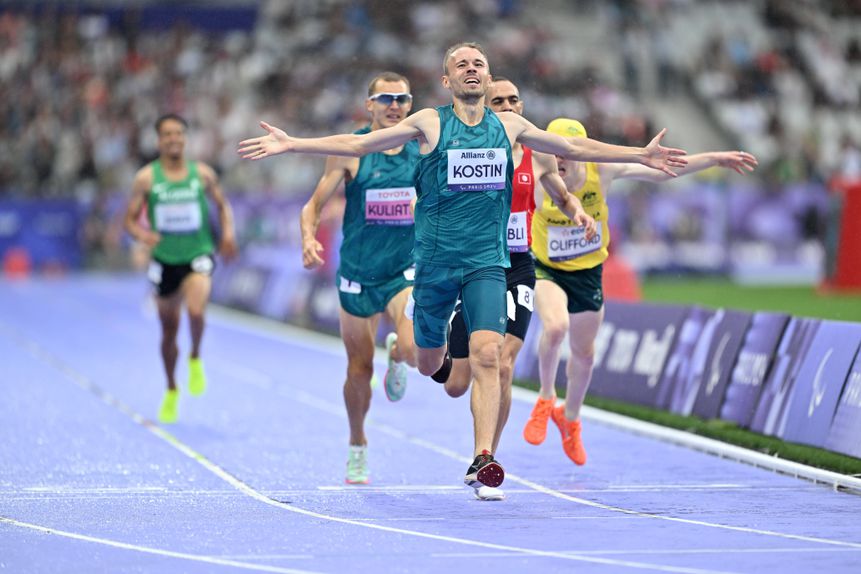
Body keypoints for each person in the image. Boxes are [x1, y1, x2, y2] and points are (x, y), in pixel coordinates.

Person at [238, 42, 687, 497]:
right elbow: (360, 142)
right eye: (462, 65)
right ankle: (407, 348)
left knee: (489, 355)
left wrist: (638, 155)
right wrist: (292, 143)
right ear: (446, 80)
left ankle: (484, 459)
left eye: (479, 65)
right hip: (433, 267)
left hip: (486, 265)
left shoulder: (510, 126)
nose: (472, 70)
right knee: (429, 361)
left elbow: (571, 145)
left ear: (488, 80)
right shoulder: (430, 123)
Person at [523, 118, 758, 466]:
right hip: (546, 268)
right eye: (553, 150)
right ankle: (545, 398)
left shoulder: (600, 170)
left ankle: (569, 418)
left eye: (567, 152)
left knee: (584, 354)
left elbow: (663, 171)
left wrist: (714, 158)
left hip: (587, 272)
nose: (560, 159)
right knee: (555, 327)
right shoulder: (536, 176)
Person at [441, 77, 563, 498]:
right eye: (499, 101)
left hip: (516, 266)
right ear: (487, 109)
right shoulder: (469, 149)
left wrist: (575, 211)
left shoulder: (539, 154)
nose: (509, 105)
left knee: (502, 362)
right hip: (472, 264)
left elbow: (561, 192)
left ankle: (486, 458)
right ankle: (436, 354)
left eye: (514, 98)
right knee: (456, 383)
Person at [299, 72, 419, 485]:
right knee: (358, 369)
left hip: (405, 271)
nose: (394, 106)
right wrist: (308, 239)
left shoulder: (423, 148)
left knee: (415, 347)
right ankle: (357, 443)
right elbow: (312, 206)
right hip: (357, 274)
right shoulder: (351, 151)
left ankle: (400, 357)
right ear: (369, 105)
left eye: (402, 99)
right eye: (385, 99)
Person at [125, 113, 237, 424]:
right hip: (164, 261)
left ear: (185, 139)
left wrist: (227, 234)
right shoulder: (146, 179)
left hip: (198, 254)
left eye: (178, 133)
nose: (173, 139)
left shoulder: (202, 174)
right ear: (159, 140)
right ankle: (172, 388)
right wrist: (143, 235)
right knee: (169, 330)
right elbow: (129, 220)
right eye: (167, 134)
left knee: (197, 310)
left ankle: (196, 356)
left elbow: (223, 205)